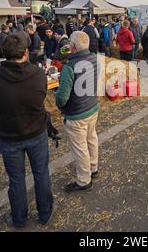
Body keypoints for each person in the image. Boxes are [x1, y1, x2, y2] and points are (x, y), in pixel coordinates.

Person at [0, 34, 54, 229]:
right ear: (25, 52)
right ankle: (45, 213)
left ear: (4, 54)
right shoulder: (38, 74)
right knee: (41, 174)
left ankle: (19, 219)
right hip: (35, 132)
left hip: (9, 135)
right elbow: (41, 96)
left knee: (16, 179)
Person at [55, 31, 100, 193]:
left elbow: (62, 97)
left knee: (80, 148)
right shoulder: (95, 58)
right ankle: (93, 168)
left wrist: (56, 98)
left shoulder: (69, 67)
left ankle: (83, 180)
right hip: (92, 107)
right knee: (91, 139)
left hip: (76, 114)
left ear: (72, 47)